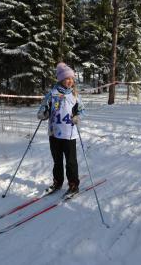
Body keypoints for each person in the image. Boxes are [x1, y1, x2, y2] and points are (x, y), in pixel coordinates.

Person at [37, 62, 85, 194]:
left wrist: (77, 117)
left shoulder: (75, 95)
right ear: (61, 79)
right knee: (57, 161)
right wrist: (43, 113)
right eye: (67, 79)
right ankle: (57, 182)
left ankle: (73, 184)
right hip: (54, 133)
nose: (69, 81)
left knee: (71, 162)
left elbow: (81, 111)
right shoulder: (52, 94)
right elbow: (43, 108)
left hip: (69, 134)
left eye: (71, 79)